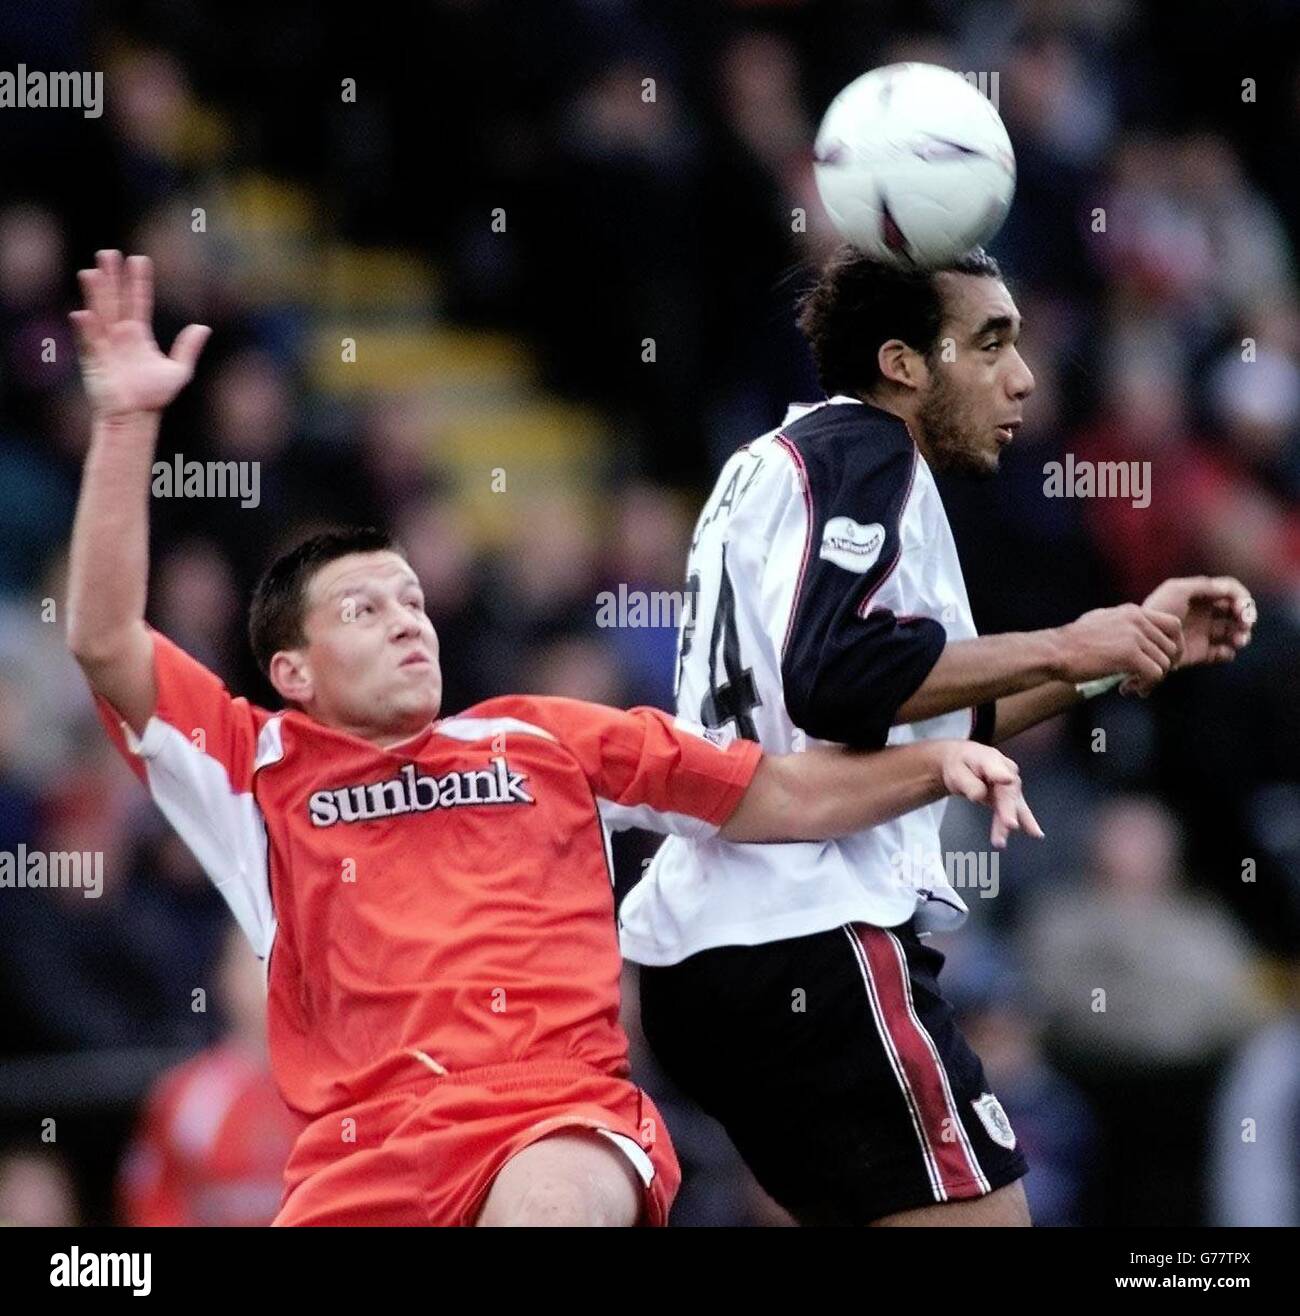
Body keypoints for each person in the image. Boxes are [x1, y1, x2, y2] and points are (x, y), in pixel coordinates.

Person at [65, 249, 1040, 1227]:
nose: (409, 620)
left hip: (554, 1119)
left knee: (555, 1197)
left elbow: (775, 796)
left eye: (413, 599)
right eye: (365, 608)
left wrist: (933, 762)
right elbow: (105, 638)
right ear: (294, 673)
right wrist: (123, 422)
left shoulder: (538, 737)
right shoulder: (252, 772)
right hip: (360, 1159)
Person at [621, 245, 1257, 1227]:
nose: (1024, 376)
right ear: (903, 364)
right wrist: (1063, 636)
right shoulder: (868, 452)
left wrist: (1118, 648)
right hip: (811, 930)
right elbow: (834, 678)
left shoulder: (771, 466)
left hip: (709, 946)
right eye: (991, 341)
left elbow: (909, 700)